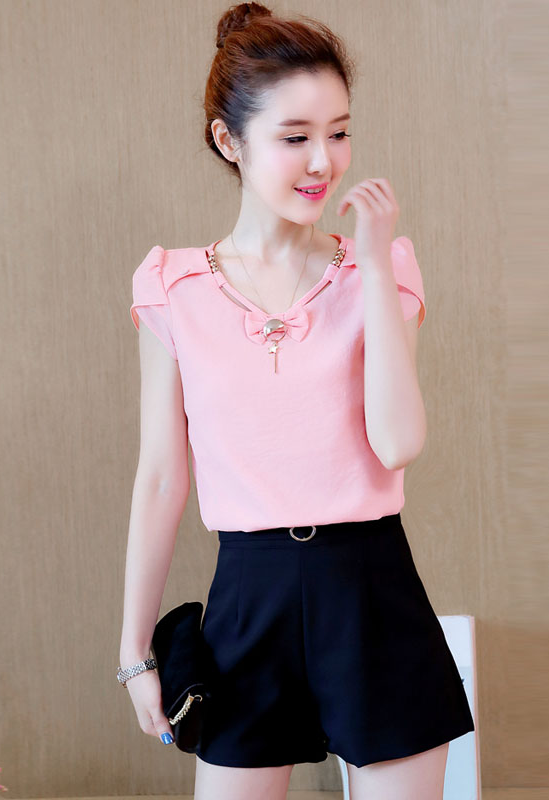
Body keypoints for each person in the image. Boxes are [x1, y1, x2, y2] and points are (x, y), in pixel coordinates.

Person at [118, 4, 474, 799]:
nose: (324, 161)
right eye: (295, 137)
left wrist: (374, 269)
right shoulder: (172, 287)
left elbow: (398, 443)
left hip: (372, 589)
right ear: (228, 141)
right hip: (249, 597)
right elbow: (161, 478)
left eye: (339, 132)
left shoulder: (384, 268)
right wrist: (135, 653)